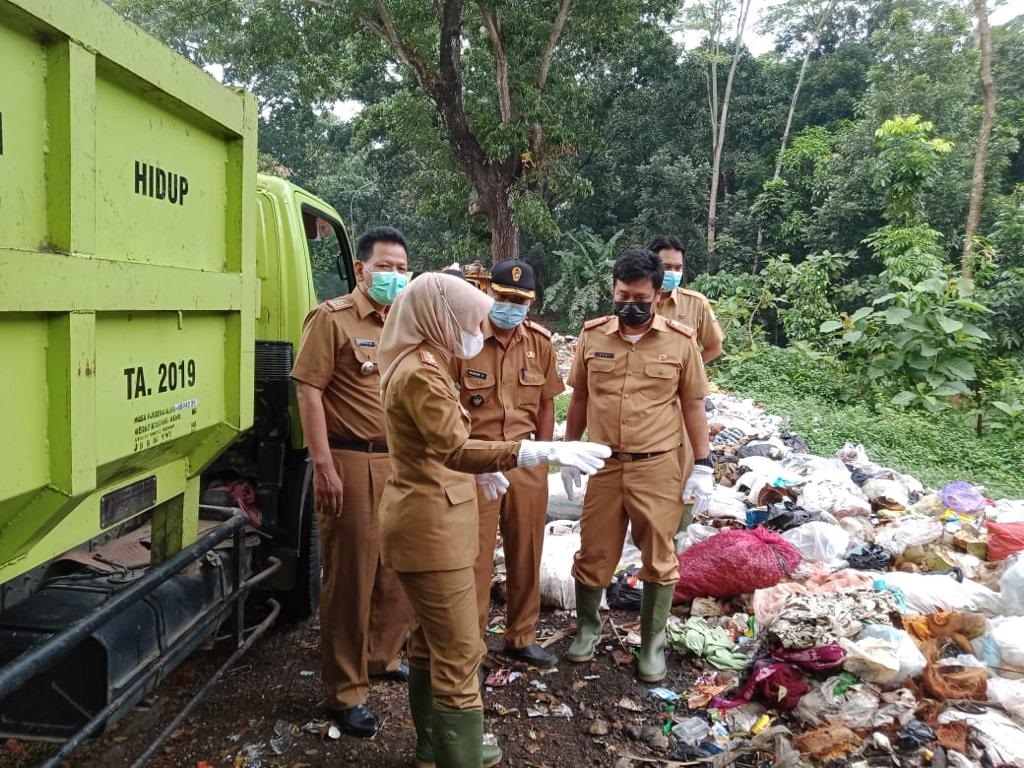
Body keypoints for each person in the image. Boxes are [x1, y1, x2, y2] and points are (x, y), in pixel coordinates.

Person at [377, 273, 610, 768]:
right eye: (471, 319)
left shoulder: (429, 360)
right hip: (431, 526)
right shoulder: (423, 371)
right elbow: (455, 446)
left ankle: (434, 747)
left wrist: (483, 471)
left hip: (433, 514)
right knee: (461, 656)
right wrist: (535, 451)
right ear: (440, 318)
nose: (478, 329)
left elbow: (435, 444)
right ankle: (454, 753)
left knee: (429, 644)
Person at [562, 249, 714, 683]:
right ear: (612, 290)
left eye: (641, 298)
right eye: (623, 294)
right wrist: (569, 450)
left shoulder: (681, 341)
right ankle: (588, 629)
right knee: (594, 553)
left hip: (658, 466)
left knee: (659, 557)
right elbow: (580, 398)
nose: (631, 304)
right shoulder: (592, 337)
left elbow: (692, 405)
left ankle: (651, 644)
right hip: (604, 466)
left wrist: (703, 464)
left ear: (656, 296)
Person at [290, 226, 413, 737]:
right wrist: (322, 465)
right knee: (350, 579)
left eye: (402, 268)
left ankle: (382, 656)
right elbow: (309, 392)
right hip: (350, 461)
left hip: (399, 464)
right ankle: (345, 690)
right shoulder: (332, 319)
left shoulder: (406, 324)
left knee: (394, 569)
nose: (395, 276)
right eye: (385, 267)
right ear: (361, 270)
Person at [451, 259, 565, 668]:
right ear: (487, 295)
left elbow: (548, 403)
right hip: (476, 465)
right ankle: (471, 648)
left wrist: (548, 454)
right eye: (503, 297)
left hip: (525, 460)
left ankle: (522, 635)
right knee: (474, 558)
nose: (511, 306)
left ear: (530, 303)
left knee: (527, 551)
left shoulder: (540, 343)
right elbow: (449, 405)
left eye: (520, 300)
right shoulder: (463, 340)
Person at [648, 235, 724, 364]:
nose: (673, 273)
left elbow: (714, 348)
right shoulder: (635, 300)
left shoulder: (696, 303)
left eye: (678, 268)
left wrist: (689, 370)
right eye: (666, 267)